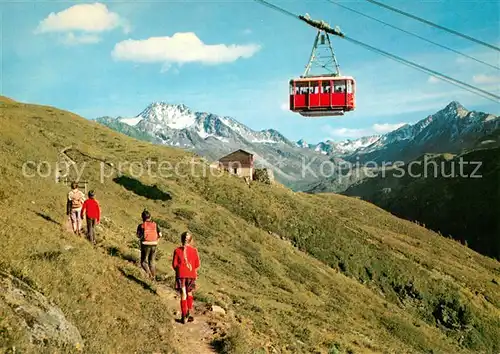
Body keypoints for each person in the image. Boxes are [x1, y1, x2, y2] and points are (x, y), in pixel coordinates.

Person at [172, 231, 200, 324]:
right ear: (191, 240)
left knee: (183, 294)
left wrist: (179, 271)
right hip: (191, 274)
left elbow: (174, 264)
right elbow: (197, 264)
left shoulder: (177, 250)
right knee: (190, 293)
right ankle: (189, 312)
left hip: (181, 274)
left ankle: (184, 315)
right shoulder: (194, 250)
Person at [136, 210, 162, 280]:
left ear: (142, 218)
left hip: (145, 244)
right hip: (154, 244)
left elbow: (138, 235)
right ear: (150, 217)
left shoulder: (141, 226)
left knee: (143, 262)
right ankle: (154, 277)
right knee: (152, 262)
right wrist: (156, 241)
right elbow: (160, 235)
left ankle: (149, 274)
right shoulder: (155, 224)